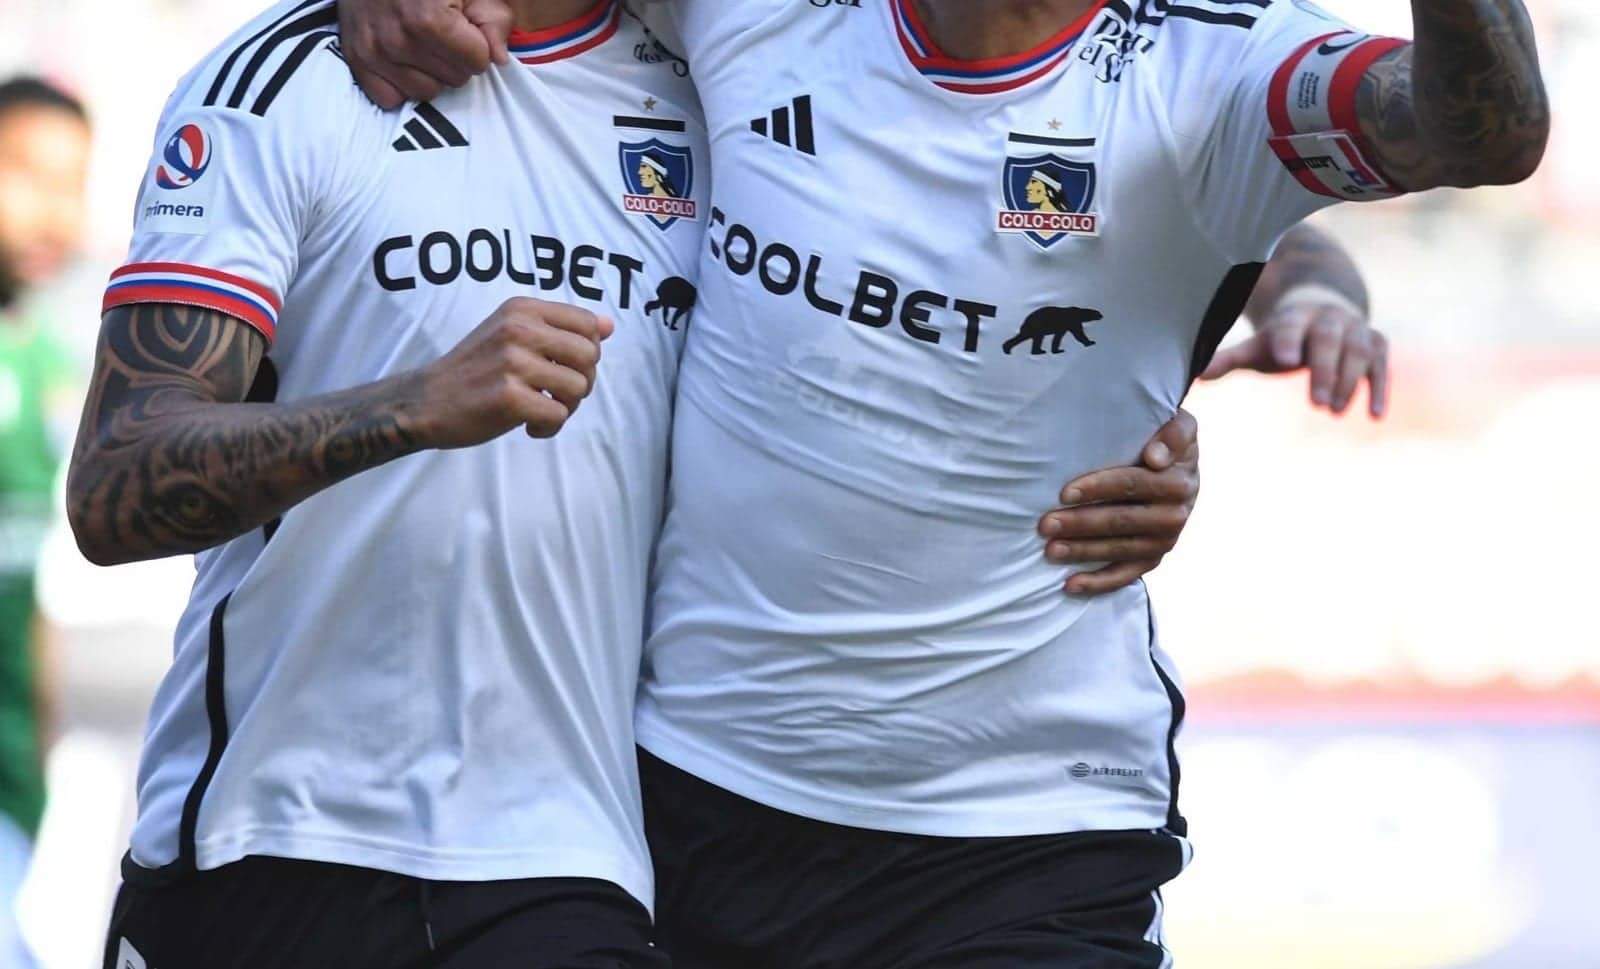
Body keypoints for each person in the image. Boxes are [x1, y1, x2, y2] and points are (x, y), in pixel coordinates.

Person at [339, 0, 1547, 966]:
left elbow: (1479, 137)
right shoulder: (760, 16)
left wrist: (1310, 287)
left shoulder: (1222, 61)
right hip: (700, 798)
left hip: (1026, 837)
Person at [72, 2, 1201, 966]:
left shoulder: (728, 87)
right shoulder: (294, 77)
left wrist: (1115, 428)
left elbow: (987, 259)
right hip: (272, 835)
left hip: (570, 863)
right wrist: (411, 406)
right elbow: (115, 482)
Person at [0, 75, 91, 969]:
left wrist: (46, 722)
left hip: (16, 771)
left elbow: (34, 581)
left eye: (73, 182)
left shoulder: (51, 367)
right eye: (24, 171)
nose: (51, 209)